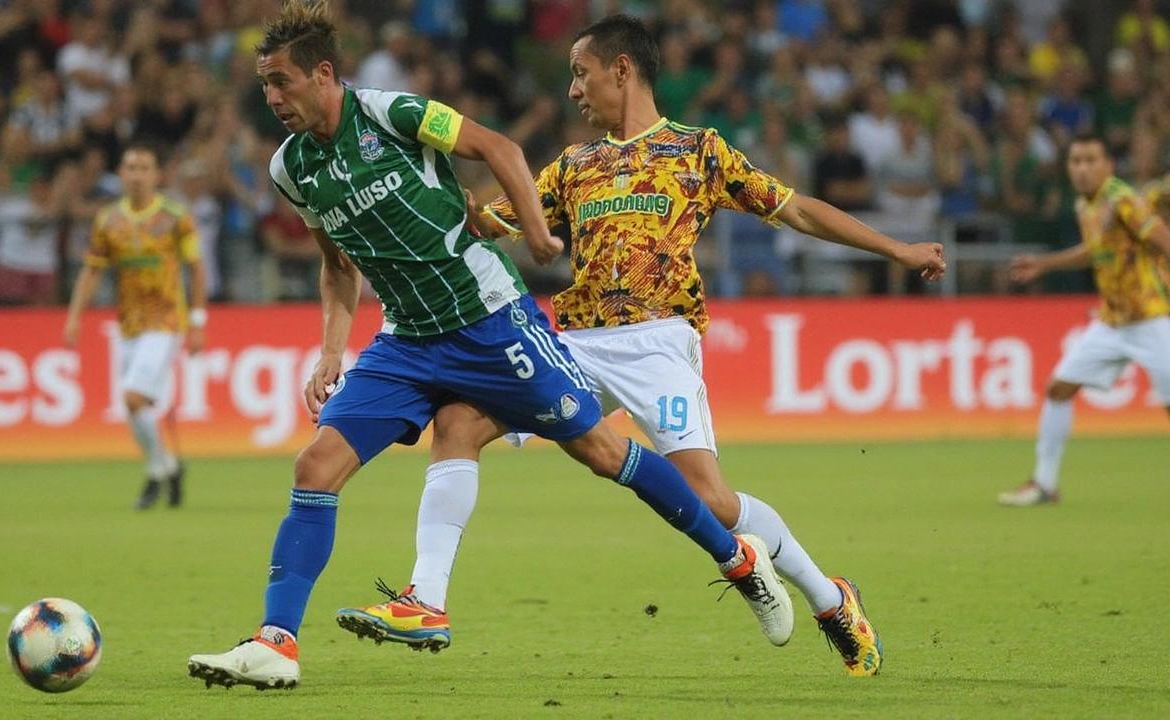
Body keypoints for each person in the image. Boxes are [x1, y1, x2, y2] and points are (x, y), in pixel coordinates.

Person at [186, 1, 793, 692]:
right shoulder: (292, 167)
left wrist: (536, 237)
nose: (272, 98)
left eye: (282, 82)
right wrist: (332, 349)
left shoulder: (396, 114)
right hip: (405, 342)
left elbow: (500, 148)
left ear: (323, 74)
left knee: (598, 451)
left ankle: (737, 558)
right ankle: (278, 642)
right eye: (264, 85)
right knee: (314, 465)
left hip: (490, 321)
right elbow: (336, 263)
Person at [335, 13, 946, 677]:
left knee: (712, 501)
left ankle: (831, 599)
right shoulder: (573, 166)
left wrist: (897, 248)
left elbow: (795, 208)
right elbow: (491, 220)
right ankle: (427, 597)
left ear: (620, 70)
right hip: (576, 344)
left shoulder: (699, 150)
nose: (573, 90)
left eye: (580, 73)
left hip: (659, 341)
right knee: (457, 422)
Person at [998, 133, 1170, 506]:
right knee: (1059, 388)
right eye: (1076, 161)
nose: (1082, 168)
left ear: (1108, 165)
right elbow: (1097, 252)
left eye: (1091, 160)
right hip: (1112, 321)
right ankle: (1044, 484)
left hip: (1153, 317)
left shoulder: (1122, 200)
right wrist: (1045, 263)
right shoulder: (1085, 206)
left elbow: (1161, 238)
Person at [63, 143, 207, 510]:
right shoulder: (108, 220)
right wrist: (75, 316)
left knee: (133, 397)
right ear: (121, 174)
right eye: (130, 167)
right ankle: (169, 467)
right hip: (127, 325)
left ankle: (157, 473)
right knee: (135, 408)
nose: (137, 174)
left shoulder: (176, 216)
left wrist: (197, 321)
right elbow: (92, 270)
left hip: (166, 321)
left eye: (144, 167)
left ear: (157, 175)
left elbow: (196, 268)